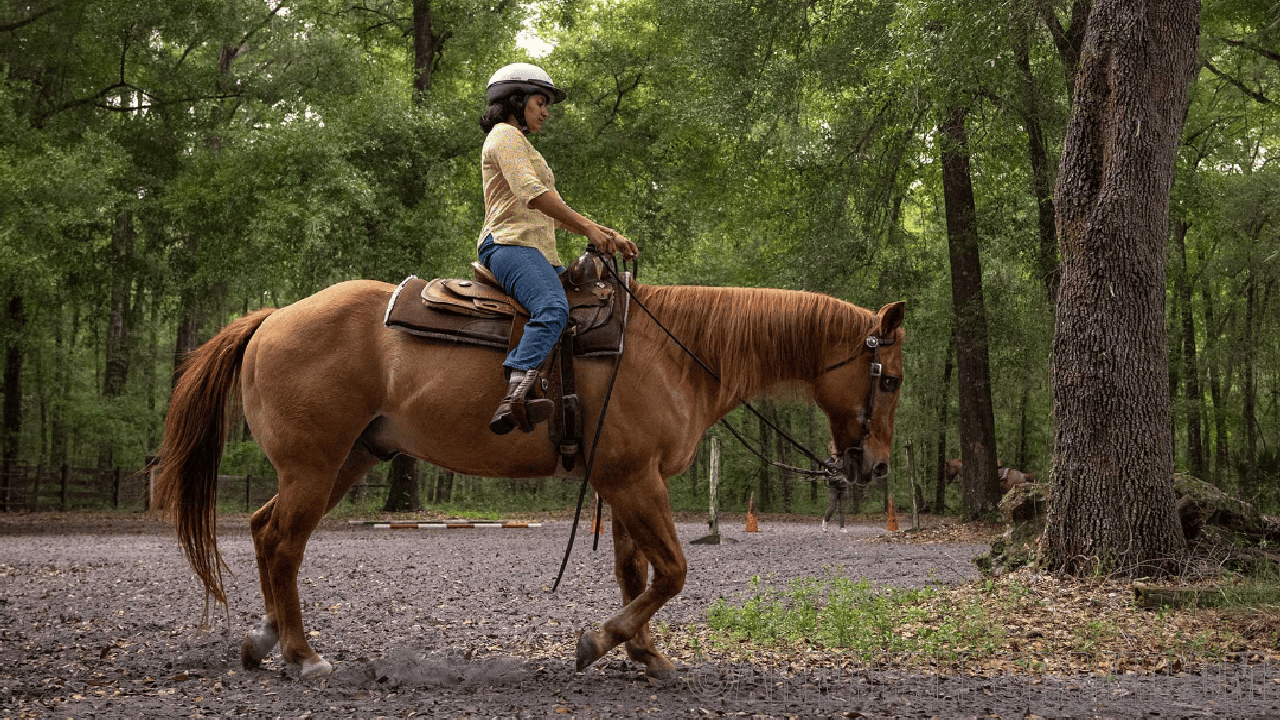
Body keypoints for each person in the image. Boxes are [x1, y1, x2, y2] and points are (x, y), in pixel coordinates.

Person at [476, 62, 638, 435]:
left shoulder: (524, 145)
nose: (546, 112)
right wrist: (589, 229)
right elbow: (532, 194)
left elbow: (556, 211)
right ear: (515, 100)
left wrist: (606, 234)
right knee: (551, 308)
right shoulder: (505, 137)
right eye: (539, 102)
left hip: (537, 251)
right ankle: (516, 390)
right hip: (509, 244)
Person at [821, 442, 848, 532]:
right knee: (832, 507)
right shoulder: (827, 462)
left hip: (843, 487)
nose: (835, 450)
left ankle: (842, 527)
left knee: (842, 508)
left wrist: (845, 478)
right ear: (830, 449)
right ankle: (825, 522)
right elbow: (824, 477)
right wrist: (834, 479)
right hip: (834, 488)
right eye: (834, 448)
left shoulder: (844, 461)